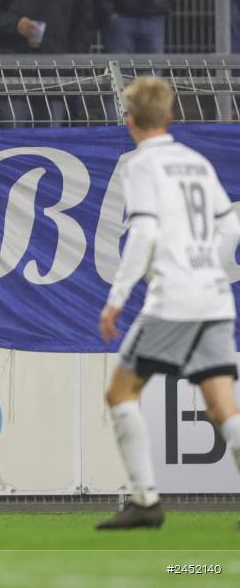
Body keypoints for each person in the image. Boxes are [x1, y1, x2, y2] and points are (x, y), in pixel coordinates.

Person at [96, 77, 240, 529]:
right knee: (222, 406)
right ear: (171, 117)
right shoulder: (195, 162)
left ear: (130, 120)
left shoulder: (142, 165)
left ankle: (145, 500)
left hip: (173, 301)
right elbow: (231, 228)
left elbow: (142, 233)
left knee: (121, 392)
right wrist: (209, 267)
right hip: (215, 298)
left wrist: (116, 298)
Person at [0, 0, 95, 126]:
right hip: (14, 77)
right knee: (15, 144)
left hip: (57, 77)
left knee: (51, 144)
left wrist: (71, 58)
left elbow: (85, 20)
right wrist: (15, 25)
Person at [91, 0, 170, 55]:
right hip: (121, 17)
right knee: (120, 67)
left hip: (154, 15)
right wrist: (108, 9)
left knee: (151, 67)